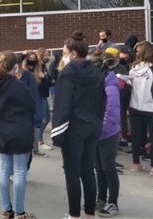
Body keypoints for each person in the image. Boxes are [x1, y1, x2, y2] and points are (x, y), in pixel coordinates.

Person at [51, 31, 106, 219]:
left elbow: (63, 105)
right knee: (88, 170)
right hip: (92, 126)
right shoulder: (97, 73)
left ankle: (74, 215)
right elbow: (102, 101)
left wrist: (57, 132)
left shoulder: (67, 75)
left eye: (65, 52)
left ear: (73, 54)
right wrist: (98, 122)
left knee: (72, 171)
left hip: (73, 128)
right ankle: (89, 213)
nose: (63, 56)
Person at [0, 51, 37, 219]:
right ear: (15, 67)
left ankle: (6, 210)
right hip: (20, 131)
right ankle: (19, 211)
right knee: (19, 171)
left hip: (1, 132)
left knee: (3, 171)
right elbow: (31, 106)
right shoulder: (18, 85)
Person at [91, 53, 121, 217]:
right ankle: (101, 198)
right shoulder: (96, 84)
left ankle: (113, 203)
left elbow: (111, 114)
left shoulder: (110, 87)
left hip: (108, 134)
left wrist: (98, 130)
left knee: (108, 168)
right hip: (96, 133)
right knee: (99, 168)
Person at [128, 41, 153, 174]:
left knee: (136, 136)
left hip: (135, 105)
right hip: (151, 106)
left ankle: (136, 163)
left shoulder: (133, 69)